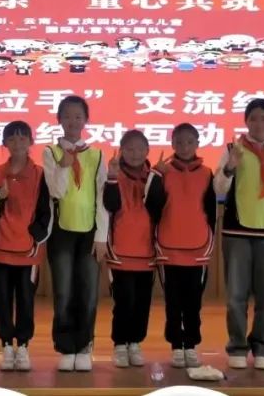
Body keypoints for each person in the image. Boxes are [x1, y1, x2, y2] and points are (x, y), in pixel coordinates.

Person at [213, 98, 264, 370]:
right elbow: (218, 189)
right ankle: (237, 346)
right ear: (246, 121)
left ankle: (263, 347)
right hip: (236, 230)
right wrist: (230, 167)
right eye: (253, 118)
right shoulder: (232, 149)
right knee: (236, 295)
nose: (258, 123)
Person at [42, 95, 109, 372]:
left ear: (86, 120)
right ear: (59, 119)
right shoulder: (50, 152)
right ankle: (66, 346)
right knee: (64, 291)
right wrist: (64, 166)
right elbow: (55, 192)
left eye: (78, 116)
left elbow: (102, 198)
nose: (72, 121)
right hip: (61, 232)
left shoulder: (97, 155)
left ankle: (84, 345)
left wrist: (102, 236)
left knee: (88, 292)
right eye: (67, 115)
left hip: (90, 232)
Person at [148, 123, 217, 369]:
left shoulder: (207, 173)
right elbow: (152, 207)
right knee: (173, 302)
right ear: (172, 144)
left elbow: (211, 212)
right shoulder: (162, 172)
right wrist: (156, 176)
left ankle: (191, 344)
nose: (184, 146)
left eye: (189, 142)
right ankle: (177, 345)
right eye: (179, 142)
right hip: (169, 248)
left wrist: (208, 241)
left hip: (198, 249)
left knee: (193, 302)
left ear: (197, 144)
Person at [0, 121, 52, 372]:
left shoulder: (40, 174)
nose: (17, 143)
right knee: (3, 298)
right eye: (12, 139)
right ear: (4, 143)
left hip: (28, 250)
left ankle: (23, 345)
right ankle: (6, 345)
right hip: (1, 246)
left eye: (23, 138)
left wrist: (34, 237)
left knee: (26, 299)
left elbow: (46, 211)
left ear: (31, 142)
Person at [103, 130, 158, 368]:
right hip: (120, 251)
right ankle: (120, 344)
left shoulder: (154, 176)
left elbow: (160, 208)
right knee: (123, 301)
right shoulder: (114, 174)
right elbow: (110, 205)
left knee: (142, 302)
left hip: (147, 251)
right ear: (121, 151)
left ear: (147, 151)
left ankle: (135, 342)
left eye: (140, 149)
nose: (135, 154)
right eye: (129, 149)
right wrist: (112, 177)